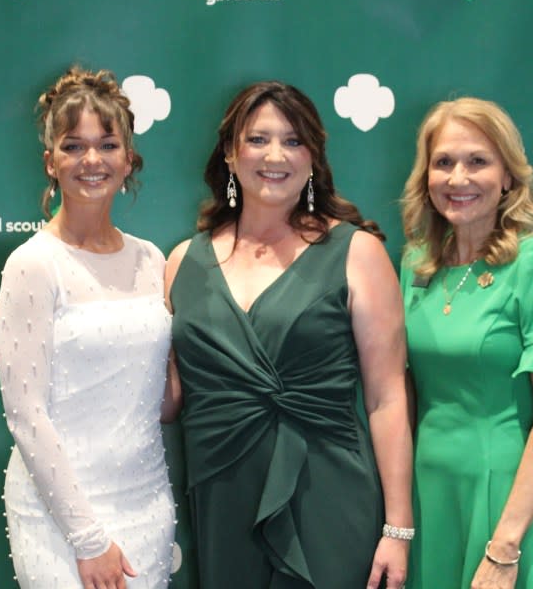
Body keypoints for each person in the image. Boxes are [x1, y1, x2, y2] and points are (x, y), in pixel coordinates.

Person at [163, 81, 413, 588]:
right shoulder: (180, 263)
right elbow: (167, 400)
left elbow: (387, 399)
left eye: (294, 141)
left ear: (313, 158)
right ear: (230, 155)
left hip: (329, 495)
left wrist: (398, 528)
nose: (275, 155)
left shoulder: (357, 253)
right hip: (221, 499)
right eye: (257, 139)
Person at [400, 97, 533, 589]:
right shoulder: (415, 264)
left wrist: (505, 548)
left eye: (478, 161)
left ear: (509, 176)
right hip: (433, 496)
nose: (458, 178)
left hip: (515, 506)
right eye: (444, 162)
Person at [0, 67, 176, 589]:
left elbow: (161, 399)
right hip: (60, 517)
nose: (91, 160)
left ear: (128, 159)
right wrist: (88, 539)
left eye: (107, 144)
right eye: (73, 146)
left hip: (145, 502)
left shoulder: (150, 258)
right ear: (50, 163)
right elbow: (26, 415)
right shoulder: (33, 264)